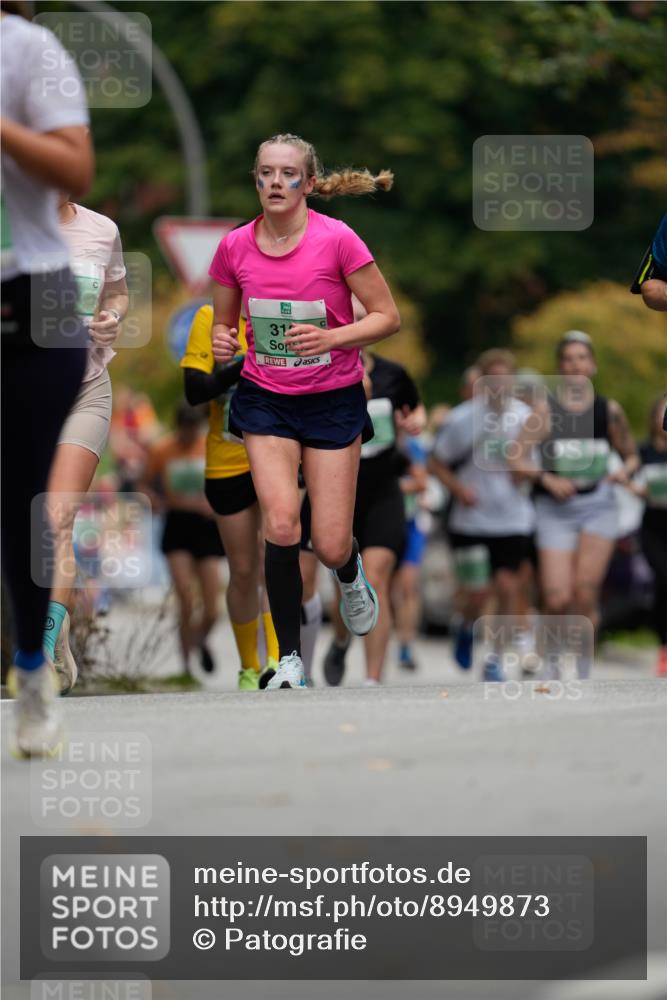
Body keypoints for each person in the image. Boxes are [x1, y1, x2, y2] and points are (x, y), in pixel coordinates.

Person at [208, 133, 400, 690]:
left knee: (332, 541)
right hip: (265, 399)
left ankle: (349, 572)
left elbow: (387, 317)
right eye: (265, 172)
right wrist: (224, 340)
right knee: (283, 522)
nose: (275, 182)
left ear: (309, 184)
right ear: (256, 179)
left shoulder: (337, 240)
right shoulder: (234, 247)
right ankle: (288, 658)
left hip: (332, 400)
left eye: (288, 173)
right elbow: (224, 322)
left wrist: (332, 338)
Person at [1, 5, 93, 755]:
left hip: (33, 298)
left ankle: (31, 670)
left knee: (21, 492)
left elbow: (75, 167)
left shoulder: (31, 49)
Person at [511, 331, 639, 678]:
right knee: (556, 596)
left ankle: (582, 667)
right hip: (555, 508)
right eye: (568, 359)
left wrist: (622, 474)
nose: (575, 365)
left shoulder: (608, 411)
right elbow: (516, 456)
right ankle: (552, 661)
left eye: (582, 358)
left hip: (598, 504)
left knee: (584, 593)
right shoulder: (546, 409)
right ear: (560, 368)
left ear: (592, 365)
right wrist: (547, 478)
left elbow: (630, 456)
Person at [43, 193, 128, 694]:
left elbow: (116, 294)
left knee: (56, 517)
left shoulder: (102, 230)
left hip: (84, 386)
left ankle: (48, 642)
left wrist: (111, 318)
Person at [182, 303, 280, 689]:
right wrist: (248, 363)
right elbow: (194, 392)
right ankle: (249, 666)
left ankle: (279, 657)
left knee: (276, 551)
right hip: (227, 461)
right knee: (242, 569)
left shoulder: (284, 311)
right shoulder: (211, 319)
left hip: (278, 453)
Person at [428, 350, 536, 681]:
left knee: (506, 586)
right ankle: (465, 626)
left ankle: (494, 659)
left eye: (506, 379)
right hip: (471, 520)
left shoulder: (526, 417)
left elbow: (540, 463)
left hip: (512, 518)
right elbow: (436, 461)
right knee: (476, 593)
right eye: (494, 379)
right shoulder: (464, 418)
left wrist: (525, 472)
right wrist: (459, 490)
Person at [322, 347, 425, 686]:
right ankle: (340, 642)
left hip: (384, 490)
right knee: (346, 585)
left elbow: (416, 407)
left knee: (376, 580)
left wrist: (417, 420)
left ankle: (372, 679)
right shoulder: (319, 367)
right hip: (340, 491)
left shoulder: (393, 373)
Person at [140, 403, 224, 678]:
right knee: (186, 598)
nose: (189, 434)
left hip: (206, 526)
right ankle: (186, 666)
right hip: (177, 524)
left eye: (193, 428)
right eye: (185, 428)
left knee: (213, 606)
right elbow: (143, 483)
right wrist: (155, 500)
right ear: (178, 427)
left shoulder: (208, 446)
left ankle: (199, 638)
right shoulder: (162, 449)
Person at [626, 398, 667, 677]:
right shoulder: (643, 451)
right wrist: (637, 489)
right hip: (653, 527)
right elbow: (625, 477)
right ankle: (664, 645)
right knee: (664, 579)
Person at [393, 431, 430, 673]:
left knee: (408, 585)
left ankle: (406, 644)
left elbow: (421, 482)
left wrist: (393, 488)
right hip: (382, 524)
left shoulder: (413, 446)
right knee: (386, 589)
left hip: (411, 524)